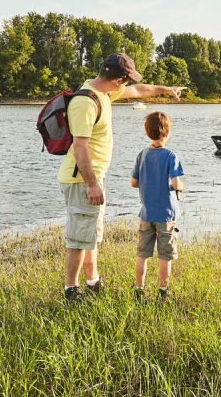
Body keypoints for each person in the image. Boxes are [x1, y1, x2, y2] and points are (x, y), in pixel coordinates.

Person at [58, 53, 185, 302]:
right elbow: (80, 147)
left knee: (90, 234)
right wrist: (92, 185)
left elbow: (138, 91)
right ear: (118, 80)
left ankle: (93, 282)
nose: (128, 85)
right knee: (77, 237)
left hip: (92, 177)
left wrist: (166, 89)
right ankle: (71, 291)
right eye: (126, 80)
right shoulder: (86, 102)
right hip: (82, 179)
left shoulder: (104, 93)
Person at [130, 111, 185, 302]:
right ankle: (162, 292)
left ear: (147, 132)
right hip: (167, 215)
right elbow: (177, 184)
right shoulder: (171, 156)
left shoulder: (142, 155)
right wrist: (178, 187)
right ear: (167, 132)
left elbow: (133, 182)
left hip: (146, 213)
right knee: (165, 255)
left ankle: (139, 289)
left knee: (142, 254)